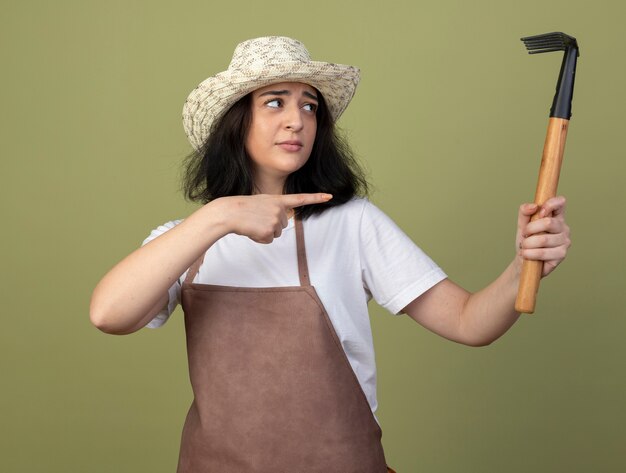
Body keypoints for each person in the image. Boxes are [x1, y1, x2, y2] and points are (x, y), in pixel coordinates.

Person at [90, 36, 571, 472]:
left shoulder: (352, 223)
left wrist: (522, 265)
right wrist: (218, 218)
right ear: (235, 123)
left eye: (310, 106)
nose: (296, 120)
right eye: (274, 102)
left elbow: (469, 323)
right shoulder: (187, 239)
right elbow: (109, 313)